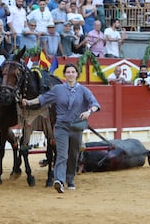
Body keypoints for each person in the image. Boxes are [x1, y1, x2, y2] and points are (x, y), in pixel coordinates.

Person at [21, 63, 101, 193]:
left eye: (72, 72)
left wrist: (89, 111)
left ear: (77, 74)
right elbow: (43, 99)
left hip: (76, 126)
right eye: (68, 72)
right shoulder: (58, 89)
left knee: (73, 155)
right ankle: (59, 180)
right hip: (61, 126)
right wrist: (28, 102)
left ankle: (70, 179)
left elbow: (95, 104)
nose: (70, 74)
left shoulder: (83, 90)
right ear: (64, 74)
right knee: (62, 155)